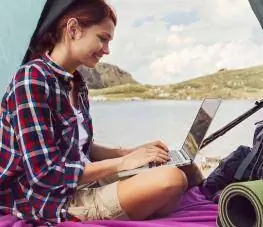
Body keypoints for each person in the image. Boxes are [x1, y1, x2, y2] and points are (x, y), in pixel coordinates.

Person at [0, 0, 188, 225]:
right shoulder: (31, 80)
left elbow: (81, 148)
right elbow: (45, 175)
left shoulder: (76, 84)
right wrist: (124, 163)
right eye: (102, 38)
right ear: (73, 30)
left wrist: (131, 152)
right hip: (48, 200)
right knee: (171, 178)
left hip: (80, 182)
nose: (107, 50)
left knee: (183, 166)